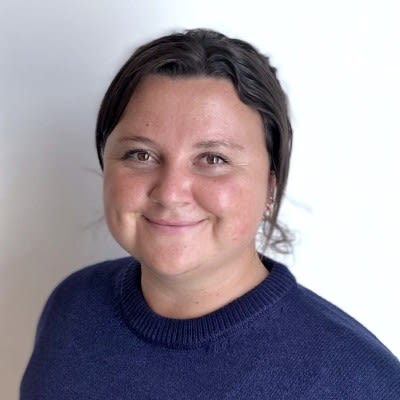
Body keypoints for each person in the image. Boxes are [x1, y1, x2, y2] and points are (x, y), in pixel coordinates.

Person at [21, 29, 400, 399]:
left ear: (271, 184)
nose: (170, 192)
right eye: (141, 154)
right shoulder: (72, 306)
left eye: (213, 159)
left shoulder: (359, 382)